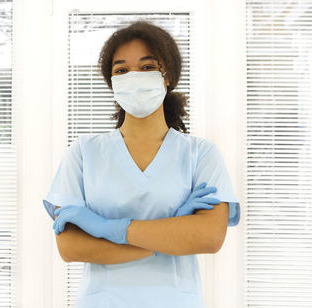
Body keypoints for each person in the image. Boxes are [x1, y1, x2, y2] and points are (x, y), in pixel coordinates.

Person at [42, 20, 240, 308]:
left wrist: (105, 227)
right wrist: (170, 234)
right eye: (121, 70)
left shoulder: (201, 153)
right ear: (112, 84)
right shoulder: (84, 152)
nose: (134, 76)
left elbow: (208, 237)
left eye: (147, 67)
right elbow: (71, 246)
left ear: (167, 76)